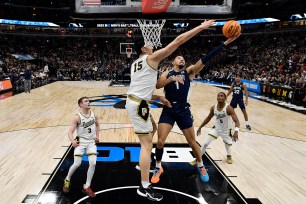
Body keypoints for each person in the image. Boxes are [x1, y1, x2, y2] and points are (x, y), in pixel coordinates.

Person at [126, 20, 215, 202]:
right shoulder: (151, 58)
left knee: (151, 131)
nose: (151, 45)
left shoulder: (136, 64)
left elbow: (146, 90)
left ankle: (145, 164)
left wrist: (160, 98)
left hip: (137, 101)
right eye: (148, 44)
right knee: (147, 144)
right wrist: (200, 27)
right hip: (139, 105)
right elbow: (177, 41)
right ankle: (144, 187)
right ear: (143, 49)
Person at [152, 34, 240, 184]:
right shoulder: (167, 72)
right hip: (168, 109)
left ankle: (201, 165)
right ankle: (158, 167)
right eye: (179, 58)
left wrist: (224, 44)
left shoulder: (189, 72)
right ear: (173, 61)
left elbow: (205, 59)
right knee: (160, 141)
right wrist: (171, 79)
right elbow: (158, 85)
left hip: (183, 110)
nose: (182, 60)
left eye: (183, 59)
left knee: (192, 142)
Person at [63, 97, 100, 198]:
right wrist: (72, 141)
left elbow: (97, 125)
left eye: (89, 101)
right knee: (77, 163)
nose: (88, 102)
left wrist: (97, 136)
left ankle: (87, 186)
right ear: (81, 105)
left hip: (91, 142)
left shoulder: (94, 115)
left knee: (93, 163)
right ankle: (67, 179)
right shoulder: (77, 117)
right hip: (81, 141)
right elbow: (70, 132)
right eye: (86, 101)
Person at [196, 92, 240, 164]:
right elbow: (208, 118)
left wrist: (236, 131)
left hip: (226, 130)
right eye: (218, 96)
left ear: (225, 98)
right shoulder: (213, 107)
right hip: (216, 129)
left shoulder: (229, 108)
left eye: (222, 96)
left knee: (228, 145)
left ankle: (229, 156)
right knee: (205, 143)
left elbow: (237, 121)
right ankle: (198, 159)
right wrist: (200, 127)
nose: (219, 97)